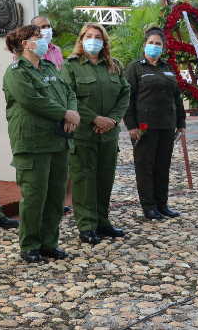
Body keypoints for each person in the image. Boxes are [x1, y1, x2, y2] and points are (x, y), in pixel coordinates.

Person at [3, 25, 78, 263]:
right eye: (37, 37)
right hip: (32, 142)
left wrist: (72, 112)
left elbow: (69, 93)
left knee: (56, 197)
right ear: (25, 43)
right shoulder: (16, 72)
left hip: (57, 140)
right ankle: (30, 245)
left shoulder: (49, 67)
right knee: (35, 197)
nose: (43, 39)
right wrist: (64, 114)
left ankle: (49, 243)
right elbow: (32, 100)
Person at [61, 24, 130, 245]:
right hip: (83, 134)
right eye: (89, 36)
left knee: (104, 179)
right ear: (81, 40)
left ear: (104, 41)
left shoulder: (114, 66)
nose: (93, 40)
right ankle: (87, 225)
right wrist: (95, 118)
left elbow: (125, 93)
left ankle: (102, 221)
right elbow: (68, 97)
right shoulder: (70, 66)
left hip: (109, 134)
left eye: (98, 37)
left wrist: (113, 120)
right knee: (84, 181)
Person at [124, 27, 186, 221]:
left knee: (162, 166)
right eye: (151, 43)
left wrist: (181, 123)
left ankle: (162, 204)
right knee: (145, 166)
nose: (154, 46)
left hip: (166, 125)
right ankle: (149, 207)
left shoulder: (167, 68)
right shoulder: (135, 68)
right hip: (144, 126)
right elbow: (128, 98)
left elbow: (177, 97)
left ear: (163, 48)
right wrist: (132, 126)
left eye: (158, 44)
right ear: (145, 45)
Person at [31, 15, 73, 214]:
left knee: (64, 161)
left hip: (63, 110)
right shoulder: (27, 52)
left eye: (48, 26)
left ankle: (64, 201)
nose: (46, 30)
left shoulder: (56, 51)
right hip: (44, 114)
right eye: (41, 27)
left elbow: (63, 82)